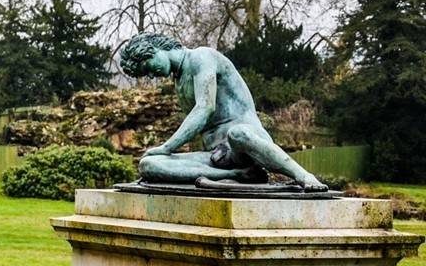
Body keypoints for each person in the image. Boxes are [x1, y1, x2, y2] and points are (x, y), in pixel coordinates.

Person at [119, 33, 326, 191]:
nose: (151, 74)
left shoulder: (201, 57)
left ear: (155, 49)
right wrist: (164, 153)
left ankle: (303, 175)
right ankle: (239, 175)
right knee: (149, 164)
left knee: (237, 134)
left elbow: (205, 109)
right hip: (216, 157)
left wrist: (167, 147)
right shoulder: (179, 82)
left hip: (243, 144)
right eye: (145, 73)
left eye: (147, 66)